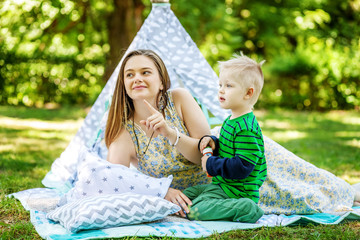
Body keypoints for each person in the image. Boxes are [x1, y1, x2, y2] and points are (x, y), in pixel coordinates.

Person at [104, 49, 211, 217]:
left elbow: (207, 158)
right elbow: (116, 181)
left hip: (214, 189)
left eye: (145, 72)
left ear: (162, 82)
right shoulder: (124, 133)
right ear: (124, 85)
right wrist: (160, 191)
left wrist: (170, 134)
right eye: (130, 75)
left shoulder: (179, 99)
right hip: (187, 205)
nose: (137, 78)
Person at [181, 53, 266, 222]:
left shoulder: (246, 128)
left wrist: (211, 164)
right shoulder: (232, 120)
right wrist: (214, 143)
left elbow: (243, 166)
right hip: (223, 185)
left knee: (194, 211)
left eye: (228, 85)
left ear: (248, 93)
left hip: (237, 191)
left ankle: (246, 208)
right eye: (220, 84)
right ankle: (198, 206)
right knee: (184, 196)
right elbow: (230, 149)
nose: (221, 89)